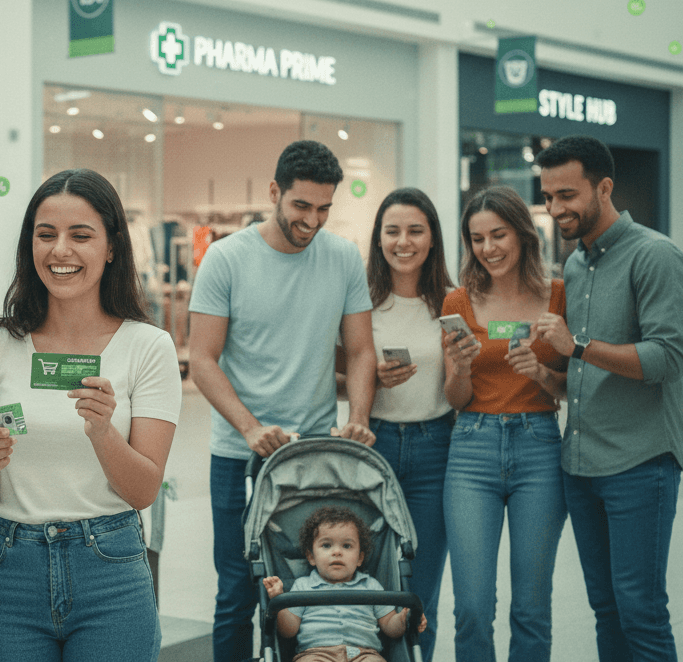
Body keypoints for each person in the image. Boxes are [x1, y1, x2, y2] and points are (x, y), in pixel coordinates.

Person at [0, 169, 182, 662]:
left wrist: (102, 431)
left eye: (81, 236)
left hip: (110, 568)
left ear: (112, 247)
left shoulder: (149, 347)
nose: (60, 252)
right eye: (46, 234)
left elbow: (142, 491)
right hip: (10, 567)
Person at [188, 140, 376, 662]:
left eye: (323, 209)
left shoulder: (341, 258)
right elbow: (202, 359)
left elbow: (361, 352)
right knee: (236, 591)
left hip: (314, 454)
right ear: (275, 192)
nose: (312, 220)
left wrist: (357, 418)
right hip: (236, 454)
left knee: (305, 584)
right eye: (301, 206)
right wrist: (250, 427)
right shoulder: (226, 258)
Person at [535, 135, 683, 662]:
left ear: (604, 188)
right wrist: (546, 374)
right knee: (606, 608)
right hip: (582, 466)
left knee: (641, 610)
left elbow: (667, 359)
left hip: (640, 462)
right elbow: (583, 374)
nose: (557, 208)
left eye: (568, 195)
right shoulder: (576, 266)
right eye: (549, 196)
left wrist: (575, 346)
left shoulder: (656, 256)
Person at [441, 185, 568, 662]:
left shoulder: (558, 294)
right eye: (477, 239)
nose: (489, 248)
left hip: (539, 445)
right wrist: (457, 368)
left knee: (532, 606)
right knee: (472, 606)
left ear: (522, 233)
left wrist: (543, 373)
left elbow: (571, 386)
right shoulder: (459, 303)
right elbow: (456, 398)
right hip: (472, 447)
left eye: (498, 235)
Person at [364, 187, 454, 662]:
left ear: (432, 238)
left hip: (435, 445)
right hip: (373, 443)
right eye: (392, 230)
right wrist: (369, 379)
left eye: (415, 230)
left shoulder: (452, 301)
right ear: (378, 239)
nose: (404, 241)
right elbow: (339, 375)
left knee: (420, 588)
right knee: (371, 581)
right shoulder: (359, 302)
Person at [262, 506, 426, 662]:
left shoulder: (371, 586)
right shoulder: (303, 586)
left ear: (360, 558)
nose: (337, 552)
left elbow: (390, 627)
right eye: (326, 545)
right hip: (316, 653)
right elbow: (288, 631)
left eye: (347, 546)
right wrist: (279, 600)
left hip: (365, 654)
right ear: (311, 557)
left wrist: (405, 617)